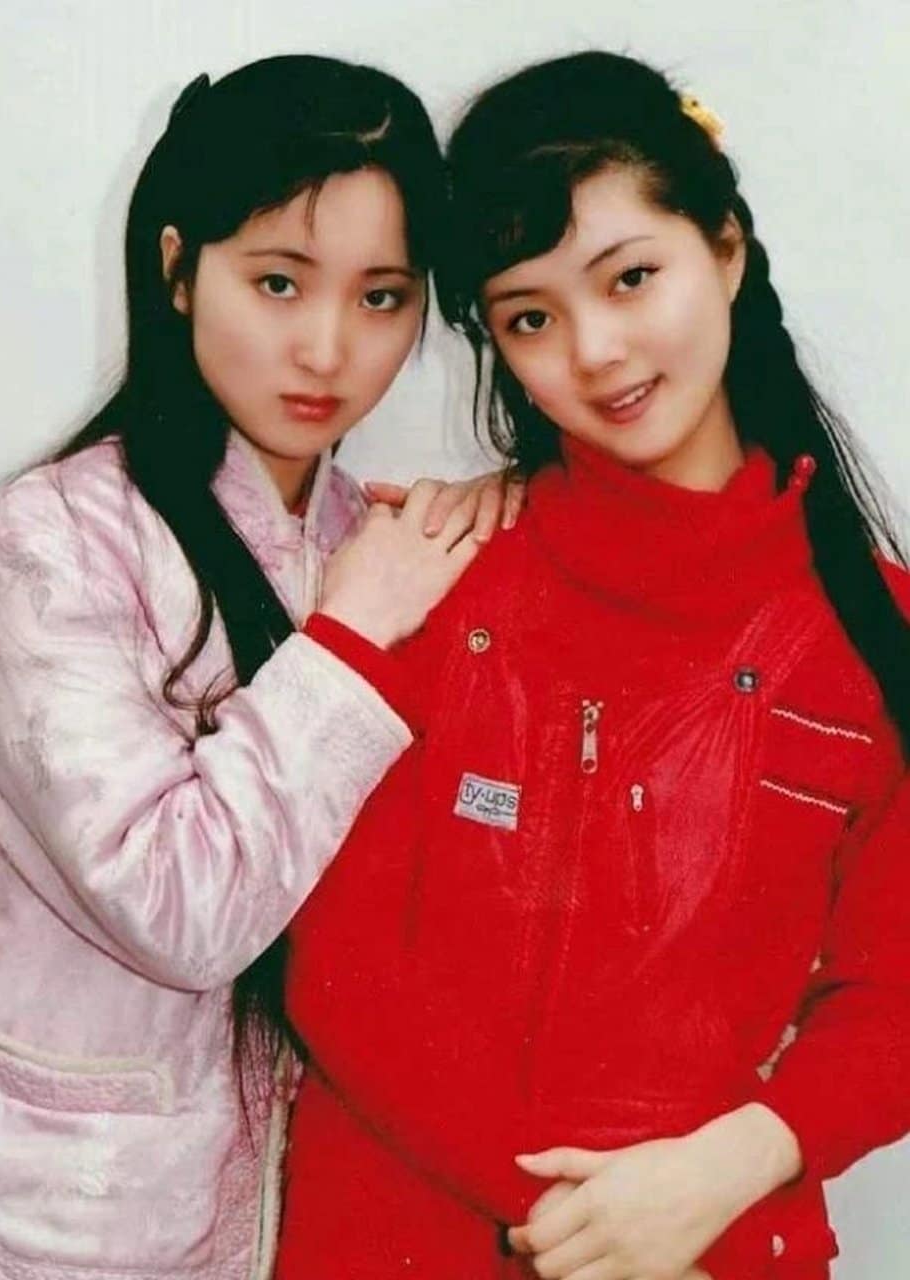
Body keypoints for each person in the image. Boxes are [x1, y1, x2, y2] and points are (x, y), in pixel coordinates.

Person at [274, 51, 910, 1280]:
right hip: (397, 1236)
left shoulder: (875, 630)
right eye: (531, 316)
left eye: (630, 277)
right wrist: (586, 1223)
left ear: (726, 249)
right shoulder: (431, 571)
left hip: (714, 1244)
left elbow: (897, 997)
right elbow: (336, 966)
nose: (598, 350)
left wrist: (726, 1170)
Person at [0, 53, 517, 1280]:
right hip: (60, 1224)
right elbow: (180, 907)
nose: (326, 348)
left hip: (306, 1210)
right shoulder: (48, 540)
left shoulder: (371, 542)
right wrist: (350, 639)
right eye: (276, 280)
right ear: (175, 267)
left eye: (381, 297)